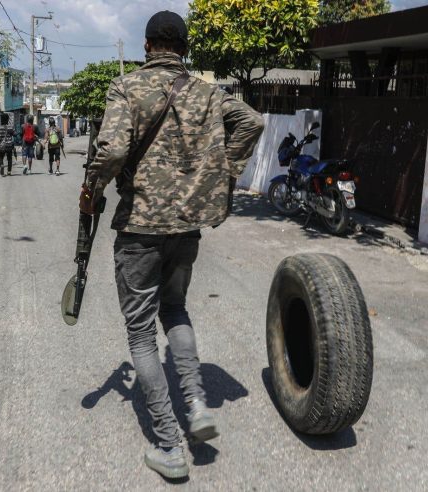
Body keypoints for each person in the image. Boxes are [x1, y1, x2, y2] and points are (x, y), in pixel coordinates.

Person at [79, 10, 264, 479]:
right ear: (184, 48)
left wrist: (93, 188)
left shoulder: (126, 87)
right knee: (176, 311)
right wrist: (222, 173)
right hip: (186, 229)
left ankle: (169, 445)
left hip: (140, 229)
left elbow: (115, 149)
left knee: (141, 333)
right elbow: (254, 123)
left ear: (146, 47)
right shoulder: (207, 92)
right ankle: (198, 406)